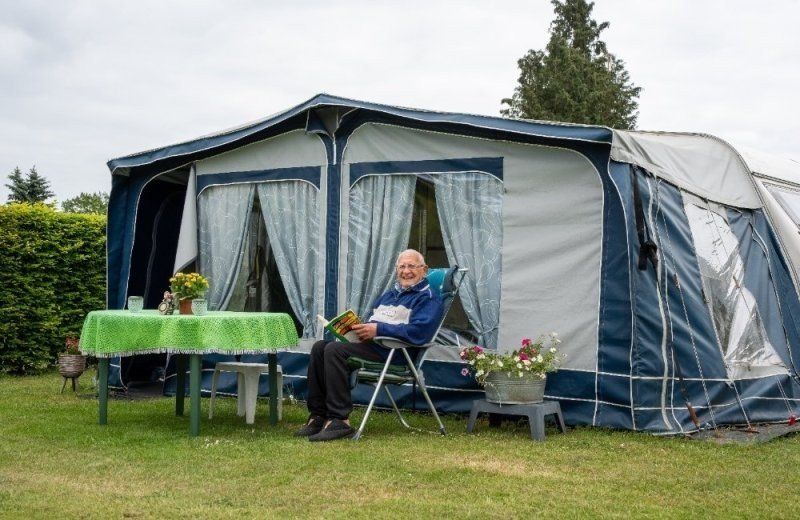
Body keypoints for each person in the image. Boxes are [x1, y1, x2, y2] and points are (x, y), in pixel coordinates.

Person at [297, 249, 444, 442]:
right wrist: (359, 330)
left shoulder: (429, 298)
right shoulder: (389, 295)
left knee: (334, 350)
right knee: (319, 347)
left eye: (411, 266)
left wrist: (379, 330)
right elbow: (376, 323)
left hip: (397, 353)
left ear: (424, 270)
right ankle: (318, 416)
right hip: (374, 346)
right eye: (402, 266)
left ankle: (340, 420)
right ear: (396, 269)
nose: (406, 271)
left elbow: (419, 332)